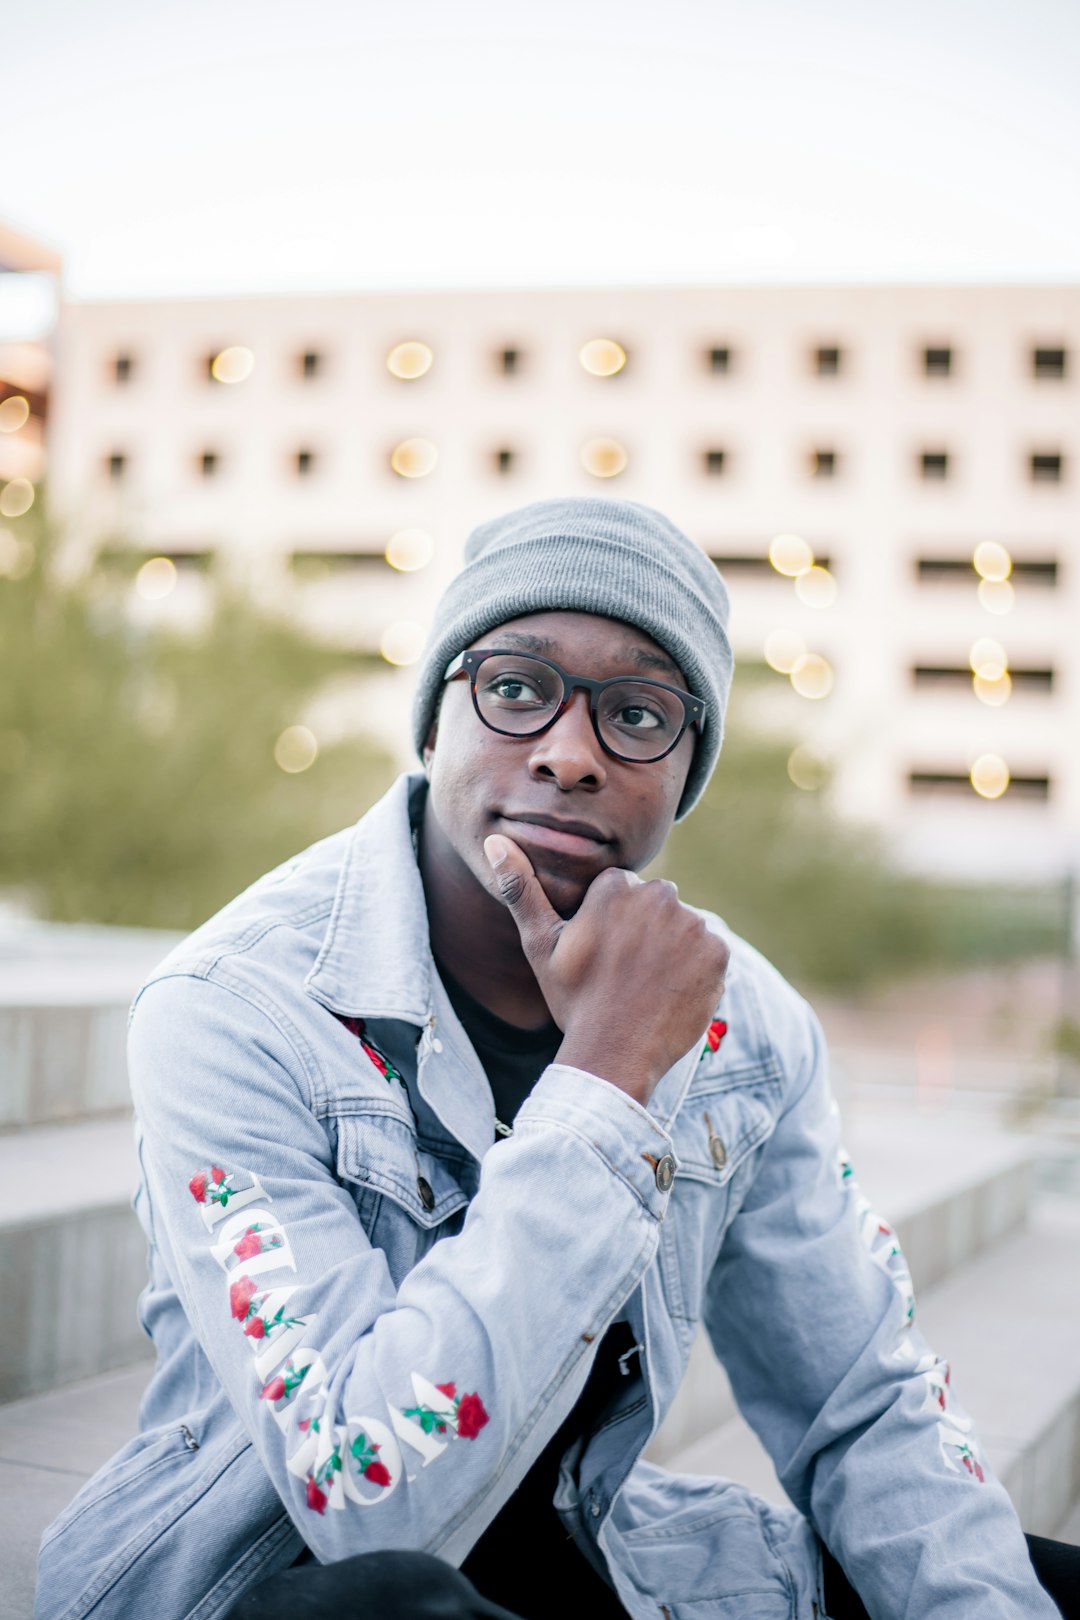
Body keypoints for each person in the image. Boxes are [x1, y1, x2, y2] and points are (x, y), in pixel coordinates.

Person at [37, 498, 1072, 1620]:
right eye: (517, 688)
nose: (572, 756)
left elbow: (865, 1408)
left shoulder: (743, 1030)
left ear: (686, 778)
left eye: (637, 714)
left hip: (585, 1557)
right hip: (268, 1580)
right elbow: (368, 1505)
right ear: (436, 724)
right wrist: (606, 1082)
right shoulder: (237, 1007)